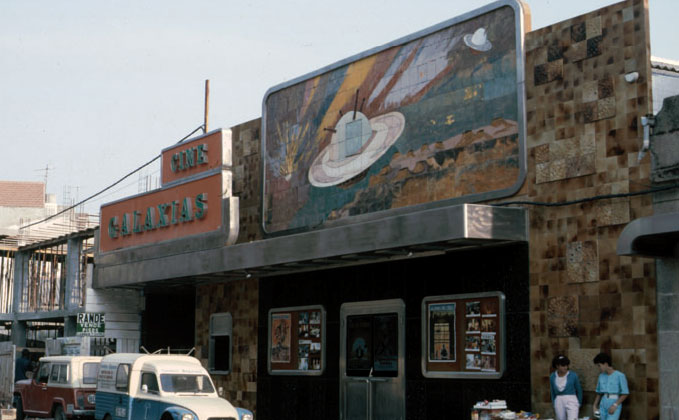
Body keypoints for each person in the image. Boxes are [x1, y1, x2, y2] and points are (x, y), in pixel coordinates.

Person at [593, 352, 629, 420]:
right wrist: (594, 406)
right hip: (603, 402)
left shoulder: (620, 375)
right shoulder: (601, 376)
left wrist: (615, 405)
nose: (599, 368)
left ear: (606, 364)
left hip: (614, 402)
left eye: (599, 365)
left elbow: (625, 393)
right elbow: (599, 393)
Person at [549, 355, 583, 420]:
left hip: (571, 399)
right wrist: (554, 402)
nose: (565, 367)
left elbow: (579, 390)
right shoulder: (552, 376)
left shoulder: (573, 375)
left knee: (573, 418)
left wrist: (579, 403)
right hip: (558, 400)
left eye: (567, 365)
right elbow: (552, 391)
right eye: (563, 365)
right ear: (557, 366)